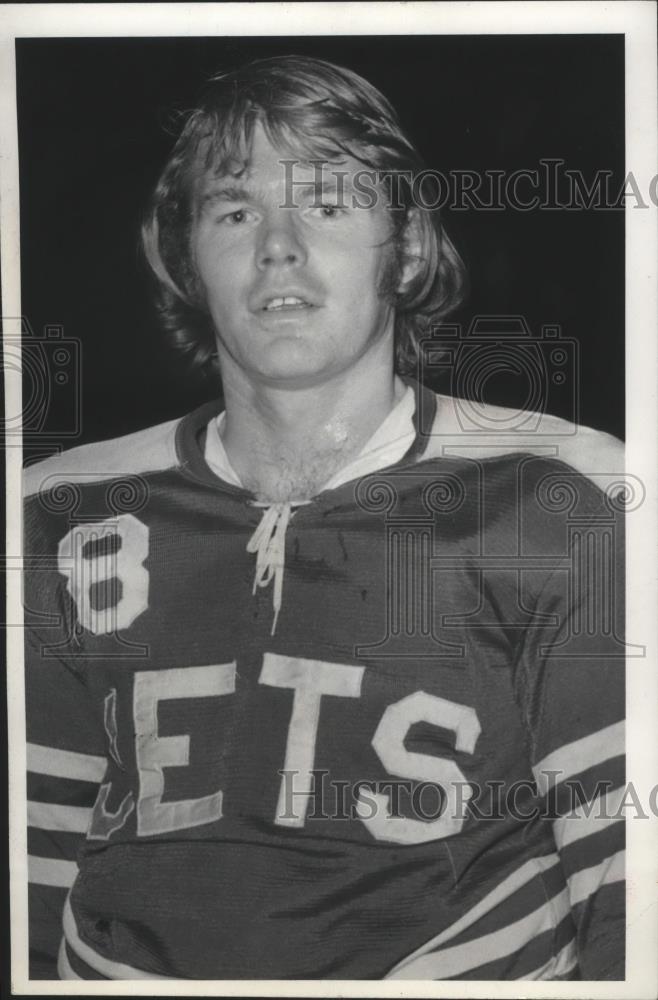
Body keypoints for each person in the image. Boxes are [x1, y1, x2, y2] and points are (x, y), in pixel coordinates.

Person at [23, 55, 625, 981]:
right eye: (234, 211)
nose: (279, 246)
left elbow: (633, 894)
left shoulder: (564, 494)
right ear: (186, 258)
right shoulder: (55, 512)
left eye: (329, 203)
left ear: (409, 247)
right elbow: (28, 874)